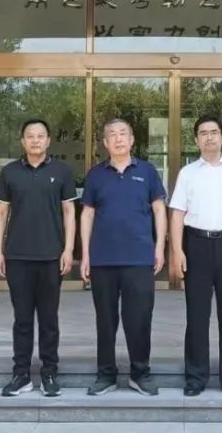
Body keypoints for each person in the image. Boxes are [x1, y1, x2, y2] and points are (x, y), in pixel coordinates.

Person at [169, 115, 222, 398]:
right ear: (196, 140)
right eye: (204, 133)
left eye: (214, 132)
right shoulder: (187, 174)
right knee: (197, 316)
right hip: (196, 245)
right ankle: (195, 378)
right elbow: (177, 214)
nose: (209, 137)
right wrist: (177, 251)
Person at [80, 117, 167, 396]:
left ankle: (140, 373)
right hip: (103, 259)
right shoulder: (96, 174)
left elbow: (159, 210)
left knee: (139, 319)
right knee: (105, 321)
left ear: (132, 140)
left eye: (123, 134)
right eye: (112, 135)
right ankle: (106, 374)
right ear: (105, 143)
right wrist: (85, 254)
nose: (118, 138)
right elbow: (88, 214)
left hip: (139, 258)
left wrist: (159, 248)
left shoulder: (147, 171)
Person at [0, 118, 77, 398]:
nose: (36, 140)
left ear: (48, 141)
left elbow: (69, 212)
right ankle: (21, 375)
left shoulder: (62, 171)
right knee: (22, 319)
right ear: (23, 141)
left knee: (49, 319)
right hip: (17, 256)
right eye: (30, 136)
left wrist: (68, 250)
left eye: (41, 136)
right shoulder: (10, 172)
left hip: (51, 256)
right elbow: (1, 213)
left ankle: (50, 373)